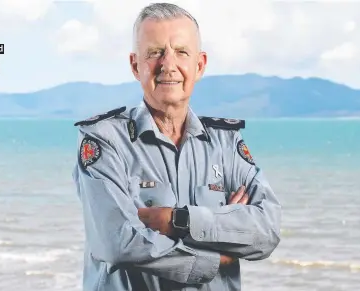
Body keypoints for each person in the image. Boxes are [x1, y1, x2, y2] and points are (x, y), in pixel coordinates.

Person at [72, 3, 282, 290]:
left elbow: (266, 230)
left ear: (200, 65)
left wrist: (177, 220)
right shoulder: (106, 141)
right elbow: (117, 242)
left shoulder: (226, 143)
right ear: (136, 65)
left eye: (181, 52)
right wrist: (217, 255)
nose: (168, 65)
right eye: (155, 52)